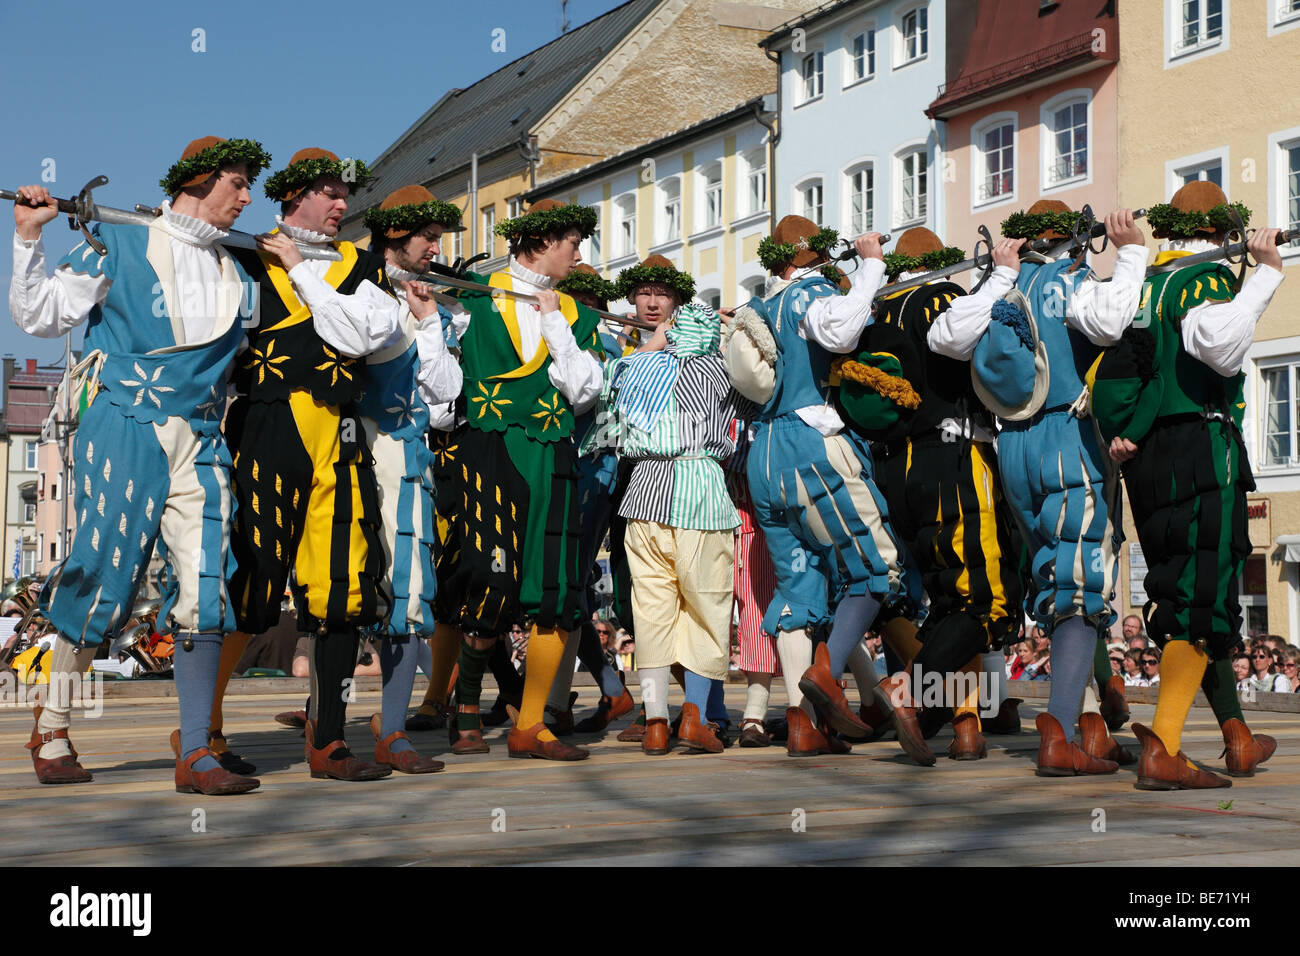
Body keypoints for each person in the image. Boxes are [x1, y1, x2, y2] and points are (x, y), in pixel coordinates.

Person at [9, 136, 270, 794]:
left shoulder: (241, 271)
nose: (246, 198)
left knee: (208, 576)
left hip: (204, 433)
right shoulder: (118, 241)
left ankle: (196, 748)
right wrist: (27, 238)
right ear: (198, 181)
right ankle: (53, 722)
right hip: (125, 421)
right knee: (106, 572)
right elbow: (40, 316)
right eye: (236, 184)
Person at [934, 200, 1147, 777]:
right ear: (1074, 239)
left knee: (1054, 578)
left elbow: (945, 337)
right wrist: (1131, 254)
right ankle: (1058, 735)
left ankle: (1087, 724)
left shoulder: (1002, 284)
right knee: (1080, 579)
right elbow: (1110, 321)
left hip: (1013, 447)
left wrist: (999, 275)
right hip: (1066, 436)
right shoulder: (1068, 277)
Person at [1093, 181, 1282, 787]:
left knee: (1188, 592)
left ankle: (1237, 736)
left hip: (1147, 454)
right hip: (1201, 446)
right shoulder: (1199, 279)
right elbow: (1220, 347)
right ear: (1222, 232)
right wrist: (1265, 275)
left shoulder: (1143, 281)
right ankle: (1164, 747)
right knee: (1202, 601)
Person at [225, 147, 403, 782]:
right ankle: (205, 731)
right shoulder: (244, 251)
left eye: (343, 194)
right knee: (251, 580)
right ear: (292, 196)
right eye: (328, 193)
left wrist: (304, 271)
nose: (340, 205)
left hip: (342, 431)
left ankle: (328, 740)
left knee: (342, 587)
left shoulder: (362, 267)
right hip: (268, 428)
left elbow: (363, 338)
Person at [725, 216, 923, 761]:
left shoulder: (760, 306)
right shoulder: (808, 293)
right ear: (808, 258)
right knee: (878, 564)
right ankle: (828, 674)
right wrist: (872, 266)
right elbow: (839, 329)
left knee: (798, 591)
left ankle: (803, 724)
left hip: (763, 455)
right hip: (811, 444)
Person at [842, 225, 1027, 760]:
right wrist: (1001, 278)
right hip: (953, 459)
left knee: (950, 602)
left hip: (897, 467)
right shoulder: (937, 295)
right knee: (986, 601)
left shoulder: (876, 311)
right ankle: (908, 694)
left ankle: (945, 716)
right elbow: (952, 336)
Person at [435, 199, 604, 760]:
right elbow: (438, 382)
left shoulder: (578, 314)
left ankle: (529, 724)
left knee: (554, 589)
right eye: (571, 242)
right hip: (489, 448)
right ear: (542, 242)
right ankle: (463, 705)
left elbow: (583, 392)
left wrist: (555, 317)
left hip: (552, 452)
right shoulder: (473, 298)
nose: (579, 253)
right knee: (487, 580)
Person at [589, 253, 745, 755]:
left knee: (651, 611)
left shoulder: (630, 367)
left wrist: (647, 351)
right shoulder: (718, 367)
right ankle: (695, 716)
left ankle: (656, 720)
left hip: (644, 495)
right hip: (700, 490)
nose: (653, 302)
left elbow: (606, 412)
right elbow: (757, 392)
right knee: (706, 606)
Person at [359, 184, 468, 773]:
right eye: (428, 236)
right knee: (340, 591)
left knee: (407, 590)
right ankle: (209, 729)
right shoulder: (356, 284)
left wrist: (430, 324)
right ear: (396, 234)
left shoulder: (433, 309)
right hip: (352, 448)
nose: (436, 247)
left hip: (408, 455)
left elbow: (446, 399)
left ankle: (394, 730)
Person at [540, 264, 635, 736]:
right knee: (568, 579)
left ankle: (558, 702)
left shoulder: (594, 338)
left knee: (567, 578)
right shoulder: (609, 337)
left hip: (590, 468)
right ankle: (609, 690)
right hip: (589, 467)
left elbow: (580, 400)